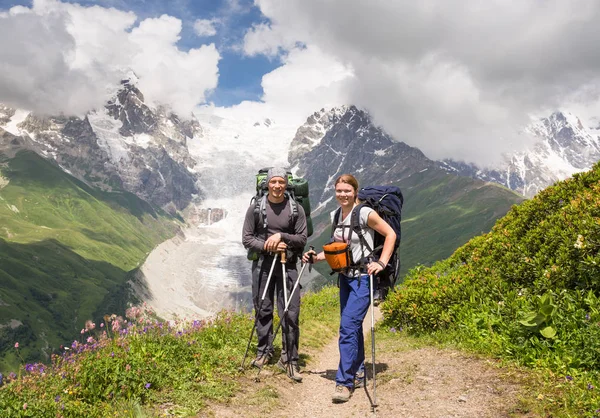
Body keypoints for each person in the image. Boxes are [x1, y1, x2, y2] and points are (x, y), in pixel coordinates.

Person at [302, 174, 396, 403]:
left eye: (347, 190)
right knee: (352, 329)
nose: (342, 194)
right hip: (345, 278)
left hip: (363, 279)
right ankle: (359, 370)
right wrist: (316, 258)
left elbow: (390, 234)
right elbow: (339, 250)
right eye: (339, 191)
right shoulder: (337, 215)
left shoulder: (364, 213)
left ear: (355, 191)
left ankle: (345, 382)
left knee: (347, 329)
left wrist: (381, 263)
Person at [242, 167, 307, 382]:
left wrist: (281, 236)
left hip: (287, 264)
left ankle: (290, 359)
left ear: (286, 184)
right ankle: (264, 352)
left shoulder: (296, 209)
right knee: (263, 308)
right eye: (273, 182)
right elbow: (247, 239)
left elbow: (302, 239)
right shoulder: (256, 209)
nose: (277, 186)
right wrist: (269, 246)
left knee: (290, 311)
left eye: (281, 182)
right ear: (267, 184)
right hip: (263, 263)